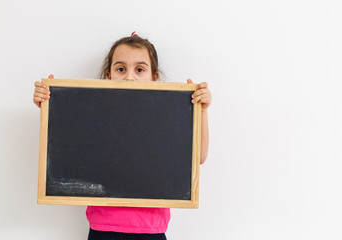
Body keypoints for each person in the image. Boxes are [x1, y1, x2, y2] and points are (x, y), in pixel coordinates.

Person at [32, 32, 212, 240]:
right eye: (120, 69)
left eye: (139, 69)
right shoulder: (96, 118)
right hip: (103, 229)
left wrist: (202, 111)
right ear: (108, 75)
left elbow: (198, 157)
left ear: (154, 77)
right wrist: (52, 104)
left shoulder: (165, 120)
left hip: (151, 230)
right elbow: (67, 146)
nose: (129, 76)